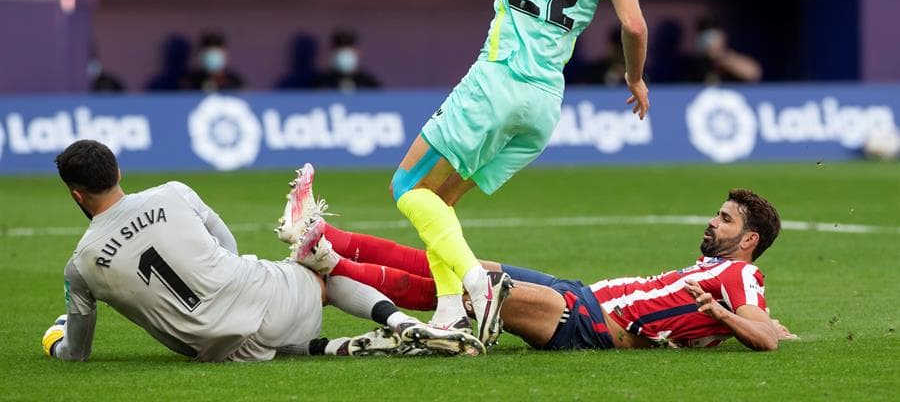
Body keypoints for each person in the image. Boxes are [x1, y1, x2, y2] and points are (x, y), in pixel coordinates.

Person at [364, 0, 650, 345]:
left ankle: (478, 284)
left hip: (497, 81)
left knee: (407, 188)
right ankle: (450, 312)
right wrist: (634, 77)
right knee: (440, 201)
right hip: (543, 105)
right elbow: (633, 26)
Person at [41, 140, 484, 362]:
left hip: (217, 351)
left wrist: (58, 341)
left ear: (76, 196)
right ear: (118, 169)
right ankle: (402, 323)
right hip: (265, 297)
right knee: (319, 273)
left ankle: (332, 348)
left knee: (261, 336)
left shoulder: (79, 266)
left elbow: (77, 353)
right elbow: (227, 245)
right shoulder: (173, 192)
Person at [290, 179, 795, 352]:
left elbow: (764, 337)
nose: (712, 222)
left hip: (589, 323)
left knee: (476, 285)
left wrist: (723, 314)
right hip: (577, 292)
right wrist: (739, 320)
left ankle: (331, 263)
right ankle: (325, 238)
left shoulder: (741, 276)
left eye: (724, 220)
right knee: (453, 262)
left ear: (748, 240)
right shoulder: (724, 275)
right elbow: (766, 325)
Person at [686, 18, 762, 84]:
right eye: (704, 38)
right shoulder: (694, 64)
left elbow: (754, 74)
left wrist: (722, 57)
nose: (708, 42)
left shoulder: (729, 59)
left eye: (712, 37)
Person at [313, 30, 381, 92]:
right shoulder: (321, 83)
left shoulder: (369, 84)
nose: (345, 54)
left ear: (357, 52)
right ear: (332, 53)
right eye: (340, 50)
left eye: (348, 49)